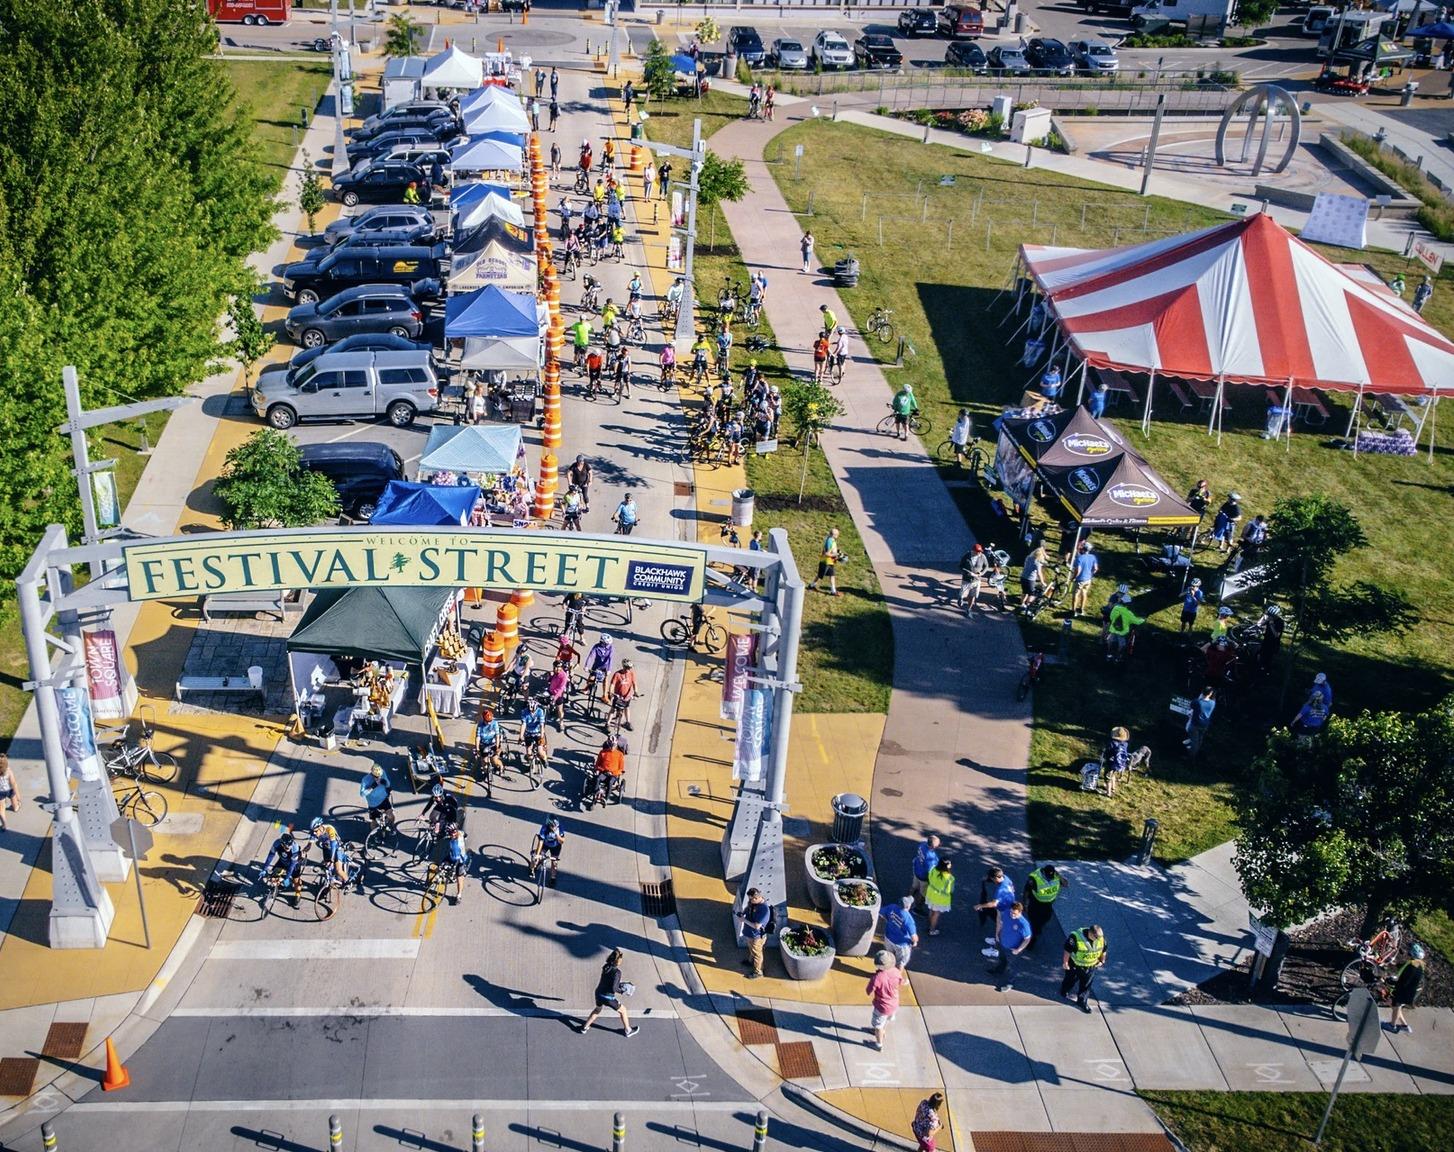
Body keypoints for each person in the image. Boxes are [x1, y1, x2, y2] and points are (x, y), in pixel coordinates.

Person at [580, 947, 638, 1036]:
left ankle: (584, 1028)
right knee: (623, 1010)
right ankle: (628, 1031)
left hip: (599, 993)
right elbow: (614, 988)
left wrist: (619, 984)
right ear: (618, 961)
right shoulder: (617, 972)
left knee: (597, 1010)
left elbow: (609, 981)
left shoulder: (606, 966)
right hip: (608, 998)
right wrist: (622, 990)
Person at [984, 900, 1032, 991]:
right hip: (1002, 943)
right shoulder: (1006, 913)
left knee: (1013, 967)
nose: (1012, 915)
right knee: (1002, 959)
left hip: (1013, 949)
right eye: (1011, 912)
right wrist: (997, 934)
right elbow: (1001, 923)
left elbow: (1027, 939)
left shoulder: (1024, 924)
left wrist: (1018, 950)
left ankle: (1010, 983)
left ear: (1020, 912)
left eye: (1015, 913)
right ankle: (999, 970)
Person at [1060, 925, 1107, 1013]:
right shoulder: (1075, 938)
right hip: (1075, 965)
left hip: (1091, 966)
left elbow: (1103, 950)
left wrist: (1102, 960)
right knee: (1070, 979)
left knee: (1086, 985)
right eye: (1097, 937)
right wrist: (1065, 963)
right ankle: (1065, 989)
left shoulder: (1101, 939)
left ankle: (1082, 1002)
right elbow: (1067, 951)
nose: (1099, 939)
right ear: (1090, 933)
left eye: (1100, 937)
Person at [866, 950, 905, 1050]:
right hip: (894, 1004)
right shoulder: (896, 972)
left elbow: (868, 991)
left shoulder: (877, 978)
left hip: (882, 1007)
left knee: (878, 1025)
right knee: (886, 1019)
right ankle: (882, 1031)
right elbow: (902, 982)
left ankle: (878, 1044)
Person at [259, 825, 305, 906]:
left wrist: (286, 877)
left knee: (295, 882)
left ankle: (298, 894)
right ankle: (278, 887)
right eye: (287, 848)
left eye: (289, 847)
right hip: (282, 861)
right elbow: (270, 856)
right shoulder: (276, 844)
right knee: (274, 876)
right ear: (282, 844)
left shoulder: (294, 849)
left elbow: (291, 867)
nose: (289, 849)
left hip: (294, 865)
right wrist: (264, 868)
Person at [975, 866, 1016, 951]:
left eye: (992, 879)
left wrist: (980, 906)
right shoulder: (1006, 878)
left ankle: (995, 950)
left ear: (995, 878)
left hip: (1004, 911)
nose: (992, 881)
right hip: (1008, 907)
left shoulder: (1000, 890)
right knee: (999, 928)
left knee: (1001, 930)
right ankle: (997, 940)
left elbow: (993, 904)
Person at [736, 887, 773, 979]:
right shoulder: (753, 903)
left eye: (751, 899)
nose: (750, 901)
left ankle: (758, 971)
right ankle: (750, 961)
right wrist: (743, 913)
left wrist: (744, 920)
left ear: (756, 898)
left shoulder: (764, 910)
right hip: (750, 933)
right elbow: (748, 908)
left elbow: (757, 926)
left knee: (757, 954)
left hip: (756, 936)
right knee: (752, 949)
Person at [1389, 943, 1426, 1033]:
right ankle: (1405, 1026)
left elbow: (1405, 980)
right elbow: (1403, 967)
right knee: (1395, 1006)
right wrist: (1394, 963)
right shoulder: (1419, 964)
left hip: (1403, 991)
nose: (1408, 953)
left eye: (1410, 952)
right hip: (1408, 992)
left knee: (1396, 1006)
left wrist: (1393, 983)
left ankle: (1392, 1026)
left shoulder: (1412, 966)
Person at [1023, 864, 1061, 947]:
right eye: (1048, 876)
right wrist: (1025, 904)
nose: (1050, 877)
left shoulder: (1056, 876)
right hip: (1036, 904)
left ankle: (1037, 929)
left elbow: (1066, 884)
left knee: (1046, 918)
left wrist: (1059, 876)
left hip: (1048, 905)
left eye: (1051, 876)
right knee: (1034, 923)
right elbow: (1026, 891)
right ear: (1044, 872)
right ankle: (1031, 941)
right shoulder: (1034, 879)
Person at [882, 895, 920, 970]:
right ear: (908, 906)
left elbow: (881, 913)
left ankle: (887, 973)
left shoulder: (892, 907)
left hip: (888, 938)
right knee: (900, 962)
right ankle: (897, 979)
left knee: (889, 958)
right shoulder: (908, 919)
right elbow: (914, 937)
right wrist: (915, 942)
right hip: (901, 944)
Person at [309, 817, 349, 885]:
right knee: (327, 867)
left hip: (336, 848)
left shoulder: (329, 829)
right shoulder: (315, 832)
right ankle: (330, 883)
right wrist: (303, 851)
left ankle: (348, 882)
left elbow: (333, 845)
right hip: (326, 847)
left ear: (321, 827)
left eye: (316, 831)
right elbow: (309, 844)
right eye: (313, 831)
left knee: (338, 870)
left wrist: (332, 859)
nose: (314, 833)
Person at [1106, 595, 1144, 662]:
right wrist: (1143, 619)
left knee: (1110, 641)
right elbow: (1137, 622)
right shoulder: (1129, 613)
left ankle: (1109, 654)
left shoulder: (1115, 608)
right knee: (1122, 644)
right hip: (1122, 632)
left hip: (1113, 629)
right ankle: (1118, 657)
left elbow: (1111, 617)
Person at [909, 833, 940, 909]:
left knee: (914, 886)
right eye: (938, 844)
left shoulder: (922, 845)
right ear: (933, 846)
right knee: (923, 893)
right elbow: (931, 872)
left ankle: (909, 898)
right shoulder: (930, 858)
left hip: (917, 870)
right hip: (923, 877)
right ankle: (918, 908)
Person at [532, 815, 566, 885]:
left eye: (556, 826)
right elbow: (540, 842)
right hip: (545, 844)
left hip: (556, 846)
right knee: (536, 856)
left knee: (554, 863)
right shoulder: (544, 828)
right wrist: (538, 855)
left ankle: (553, 878)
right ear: (549, 825)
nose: (555, 828)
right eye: (553, 826)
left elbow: (562, 841)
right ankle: (532, 868)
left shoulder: (560, 828)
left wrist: (557, 835)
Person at [808, 527, 843, 595]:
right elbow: (827, 553)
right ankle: (811, 585)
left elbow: (832, 550)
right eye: (837, 535)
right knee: (820, 575)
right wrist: (837, 554)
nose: (838, 536)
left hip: (830, 562)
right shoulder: (829, 541)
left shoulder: (832, 540)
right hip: (826, 562)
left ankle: (833, 591)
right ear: (834, 535)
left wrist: (837, 552)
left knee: (832, 575)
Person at [359, 763, 395, 829]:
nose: (379, 778)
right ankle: (375, 836)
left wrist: (386, 783)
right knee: (374, 822)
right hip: (373, 803)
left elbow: (388, 783)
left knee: (391, 816)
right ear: (372, 774)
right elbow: (362, 794)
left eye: (380, 776)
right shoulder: (365, 780)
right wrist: (372, 787)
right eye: (377, 777)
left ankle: (392, 826)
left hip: (384, 799)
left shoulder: (383, 772)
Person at [924, 858, 954, 936]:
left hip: (931, 893)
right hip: (940, 898)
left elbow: (929, 878)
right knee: (936, 914)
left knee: (931, 910)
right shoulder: (950, 878)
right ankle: (932, 929)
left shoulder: (934, 869)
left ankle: (930, 923)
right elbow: (951, 890)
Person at [1185, 686, 1216, 757]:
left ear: (1202, 692)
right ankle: (1196, 751)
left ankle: (1191, 755)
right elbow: (1212, 699)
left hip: (1194, 725)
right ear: (1210, 694)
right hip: (1205, 725)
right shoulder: (1213, 703)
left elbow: (1191, 707)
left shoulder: (1196, 701)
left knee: (1194, 741)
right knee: (1199, 739)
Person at [958, 544, 989, 615]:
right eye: (978, 551)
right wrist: (966, 572)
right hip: (966, 580)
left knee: (972, 596)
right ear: (973, 551)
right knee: (962, 594)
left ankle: (969, 609)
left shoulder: (982, 556)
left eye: (980, 551)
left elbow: (986, 566)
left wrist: (981, 573)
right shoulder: (967, 556)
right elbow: (960, 566)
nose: (979, 553)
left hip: (977, 580)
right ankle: (960, 598)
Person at [608, 659, 638, 730]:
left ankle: (628, 722)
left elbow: (634, 684)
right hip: (618, 696)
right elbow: (612, 684)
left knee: (627, 708)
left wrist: (636, 692)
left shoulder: (631, 674)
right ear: (624, 667)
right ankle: (607, 724)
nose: (629, 669)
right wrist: (611, 693)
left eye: (630, 668)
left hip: (627, 696)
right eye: (628, 668)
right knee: (613, 709)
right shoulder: (617, 674)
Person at [1102, 726, 1132, 797]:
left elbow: (1107, 752)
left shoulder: (1112, 743)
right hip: (1118, 764)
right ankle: (1113, 788)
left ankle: (1108, 793)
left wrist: (1104, 755)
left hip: (1110, 762)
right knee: (1113, 775)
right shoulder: (1125, 744)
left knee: (1108, 777)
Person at [519, 695, 549, 766]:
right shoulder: (524, 712)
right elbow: (523, 725)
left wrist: (541, 737)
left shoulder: (540, 711)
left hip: (537, 732)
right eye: (530, 711)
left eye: (533, 711)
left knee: (540, 751)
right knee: (529, 753)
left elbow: (542, 725)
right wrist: (521, 737)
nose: (531, 712)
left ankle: (544, 759)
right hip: (528, 733)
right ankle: (531, 763)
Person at [1070, 545, 1098, 616]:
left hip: (1080, 580)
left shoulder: (1080, 558)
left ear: (1083, 549)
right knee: (1084, 593)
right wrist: (1090, 575)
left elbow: (1078, 571)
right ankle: (1081, 610)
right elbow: (1095, 568)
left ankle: (1073, 611)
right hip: (1088, 579)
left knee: (1076, 594)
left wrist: (1073, 578)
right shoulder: (1093, 557)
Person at [475, 707, 504, 776]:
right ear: (483, 719)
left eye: (490, 721)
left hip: (493, 743)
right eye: (487, 721)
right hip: (484, 744)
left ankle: (501, 767)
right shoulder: (480, 725)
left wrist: (497, 747)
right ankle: (485, 771)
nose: (489, 723)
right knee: (484, 760)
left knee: (495, 761)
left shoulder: (495, 723)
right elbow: (478, 737)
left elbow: (497, 736)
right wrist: (477, 748)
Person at [1019, 544, 1047, 609]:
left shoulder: (1028, 557)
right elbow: (1039, 573)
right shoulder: (1037, 563)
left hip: (1023, 577)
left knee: (1024, 591)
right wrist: (1042, 582)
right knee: (1032, 594)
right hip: (1030, 579)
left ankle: (1022, 604)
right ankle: (1028, 605)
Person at [0, 753, 21, 828]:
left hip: (0, 792)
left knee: (1, 809)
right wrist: (18, 796)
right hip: (9, 790)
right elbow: (14, 783)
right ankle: (16, 807)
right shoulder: (8, 771)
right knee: (13, 799)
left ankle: (4, 824)